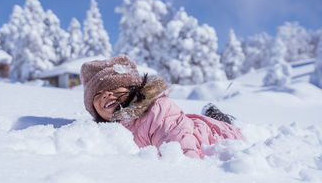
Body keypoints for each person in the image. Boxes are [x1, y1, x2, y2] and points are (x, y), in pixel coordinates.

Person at [80, 55, 244, 159]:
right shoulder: (106, 130)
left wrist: (186, 163)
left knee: (217, 125)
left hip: (219, 134)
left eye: (113, 87)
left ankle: (220, 117)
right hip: (188, 124)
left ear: (132, 89)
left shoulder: (156, 111)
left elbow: (180, 151)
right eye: (97, 94)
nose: (106, 95)